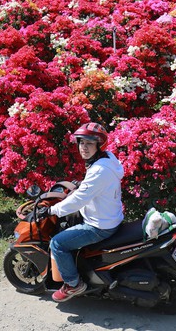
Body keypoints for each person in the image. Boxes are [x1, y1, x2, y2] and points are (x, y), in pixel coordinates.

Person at [37, 122, 124, 302]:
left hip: (99, 226)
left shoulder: (99, 170)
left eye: (89, 143)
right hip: (109, 217)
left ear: (99, 145)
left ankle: (73, 284)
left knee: (57, 244)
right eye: (81, 142)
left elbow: (79, 200)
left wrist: (52, 210)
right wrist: (81, 185)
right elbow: (91, 188)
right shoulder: (107, 159)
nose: (84, 147)